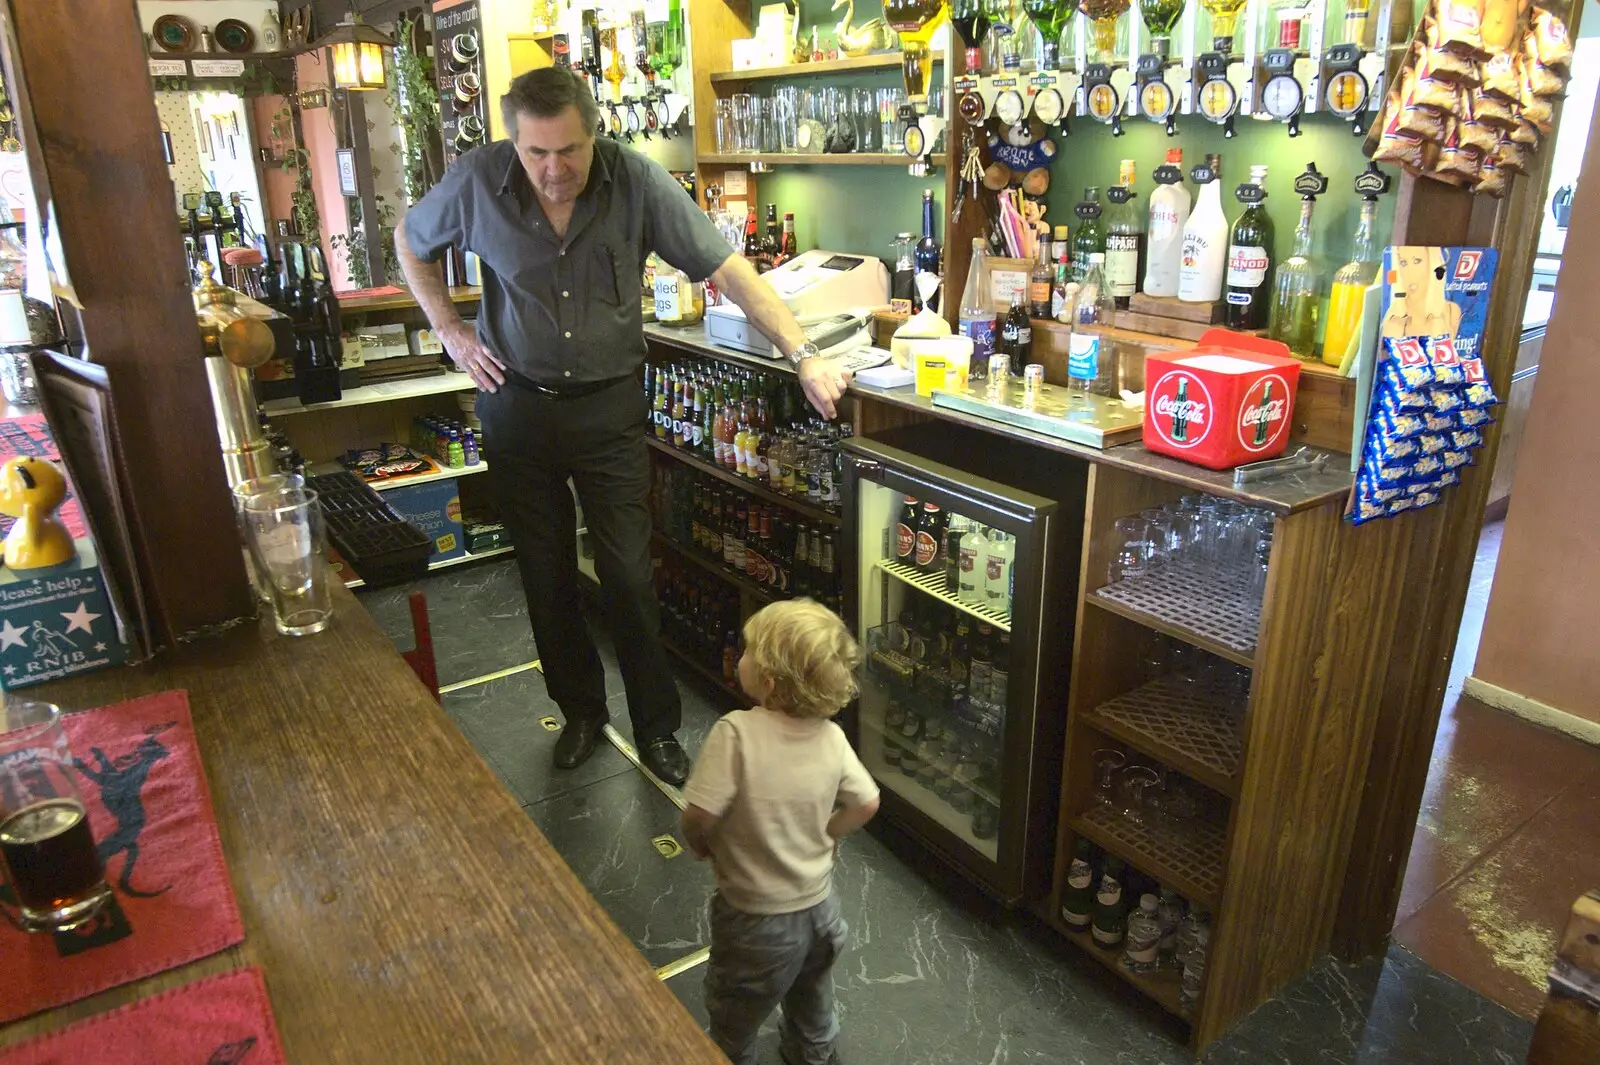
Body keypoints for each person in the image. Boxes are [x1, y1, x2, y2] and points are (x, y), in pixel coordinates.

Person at [395, 68, 851, 785]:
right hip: (515, 401)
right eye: (536, 153)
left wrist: (804, 354)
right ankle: (580, 713)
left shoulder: (635, 179)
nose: (553, 171)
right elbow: (409, 239)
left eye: (569, 150)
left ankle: (658, 728)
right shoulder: (478, 178)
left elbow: (729, 269)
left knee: (631, 575)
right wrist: (450, 331)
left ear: (594, 132)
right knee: (544, 575)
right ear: (514, 141)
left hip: (608, 407)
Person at [681, 599, 880, 1065]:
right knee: (812, 994)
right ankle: (813, 1055)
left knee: (735, 1008)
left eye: (748, 650)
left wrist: (698, 842)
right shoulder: (831, 736)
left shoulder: (736, 734)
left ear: (768, 679)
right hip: (820, 911)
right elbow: (866, 803)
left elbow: (699, 814)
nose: (740, 655)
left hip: (756, 920)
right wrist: (829, 834)